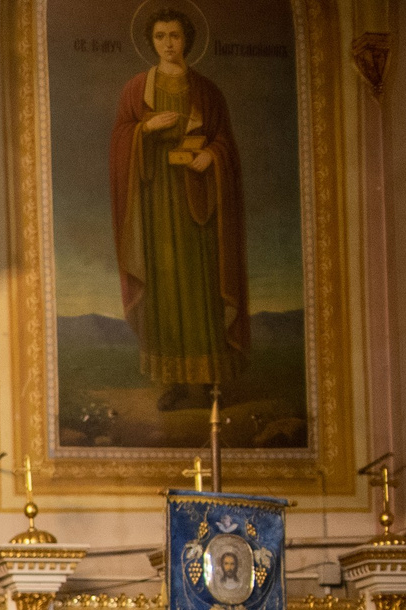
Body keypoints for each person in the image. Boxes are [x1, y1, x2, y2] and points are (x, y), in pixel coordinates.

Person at [111, 6, 248, 409]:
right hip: (156, 201)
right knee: (166, 286)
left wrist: (212, 156)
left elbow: (225, 142)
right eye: (160, 37)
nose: (168, 44)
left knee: (201, 283)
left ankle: (210, 377)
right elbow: (119, 140)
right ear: (150, 42)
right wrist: (144, 129)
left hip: (198, 201)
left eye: (174, 36)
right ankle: (173, 381)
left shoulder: (207, 91)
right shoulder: (136, 89)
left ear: (187, 39)